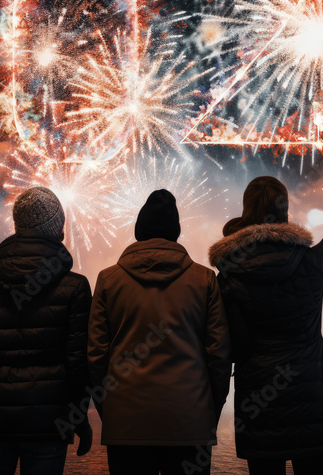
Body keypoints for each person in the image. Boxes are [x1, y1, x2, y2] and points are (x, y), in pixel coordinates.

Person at [208, 153, 323, 475]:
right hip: (312, 398)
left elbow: (225, 340)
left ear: (246, 211)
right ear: (285, 209)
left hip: (260, 401)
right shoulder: (311, 263)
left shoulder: (229, 276)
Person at [87, 189, 232, 475]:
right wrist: (208, 411)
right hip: (189, 420)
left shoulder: (108, 280)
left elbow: (95, 358)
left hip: (126, 422)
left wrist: (111, 411)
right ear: (175, 231)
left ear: (139, 230)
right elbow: (219, 355)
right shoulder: (204, 280)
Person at [0, 186, 93, 475]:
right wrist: (80, 418)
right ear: (58, 229)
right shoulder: (76, 288)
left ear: (17, 226)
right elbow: (78, 362)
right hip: (48, 422)